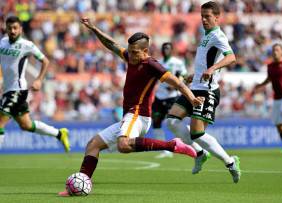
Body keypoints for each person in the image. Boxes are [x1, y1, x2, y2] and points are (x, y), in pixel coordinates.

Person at [58, 17, 204, 196]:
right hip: (129, 116)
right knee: (93, 145)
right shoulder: (131, 56)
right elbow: (111, 44)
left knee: (123, 145)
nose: (130, 55)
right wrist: (93, 28)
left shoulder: (152, 65)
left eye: (135, 52)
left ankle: (171, 145)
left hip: (139, 115)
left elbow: (178, 84)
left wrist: (192, 99)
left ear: (145, 51)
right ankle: (79, 185)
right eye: (129, 51)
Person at [165, 1, 241, 183]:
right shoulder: (206, 36)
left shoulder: (219, 36)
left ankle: (230, 162)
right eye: (202, 16)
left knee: (197, 134)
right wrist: (195, 75)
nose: (204, 20)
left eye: (207, 17)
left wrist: (212, 69)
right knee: (173, 121)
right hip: (195, 86)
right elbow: (204, 62)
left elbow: (231, 57)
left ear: (217, 17)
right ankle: (200, 152)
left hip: (207, 91)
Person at [0, 16, 70, 152]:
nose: (13, 31)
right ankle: (59, 134)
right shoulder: (2, 43)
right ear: (6, 29)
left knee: (0, 121)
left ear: (20, 29)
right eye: (10, 28)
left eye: (15, 28)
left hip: (18, 89)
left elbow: (45, 61)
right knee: (26, 125)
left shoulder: (27, 45)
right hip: (8, 89)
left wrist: (38, 80)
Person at [152, 42, 206, 159]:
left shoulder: (177, 62)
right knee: (156, 123)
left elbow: (184, 76)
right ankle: (165, 150)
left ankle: (195, 145)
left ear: (172, 50)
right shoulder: (158, 62)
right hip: (159, 96)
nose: (166, 50)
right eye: (164, 48)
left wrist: (176, 84)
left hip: (172, 96)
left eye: (168, 48)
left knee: (174, 122)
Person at [253, 43, 282, 154]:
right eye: (274, 50)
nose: (275, 52)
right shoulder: (270, 66)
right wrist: (260, 85)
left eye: (278, 50)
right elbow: (269, 78)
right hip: (277, 97)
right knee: (278, 123)